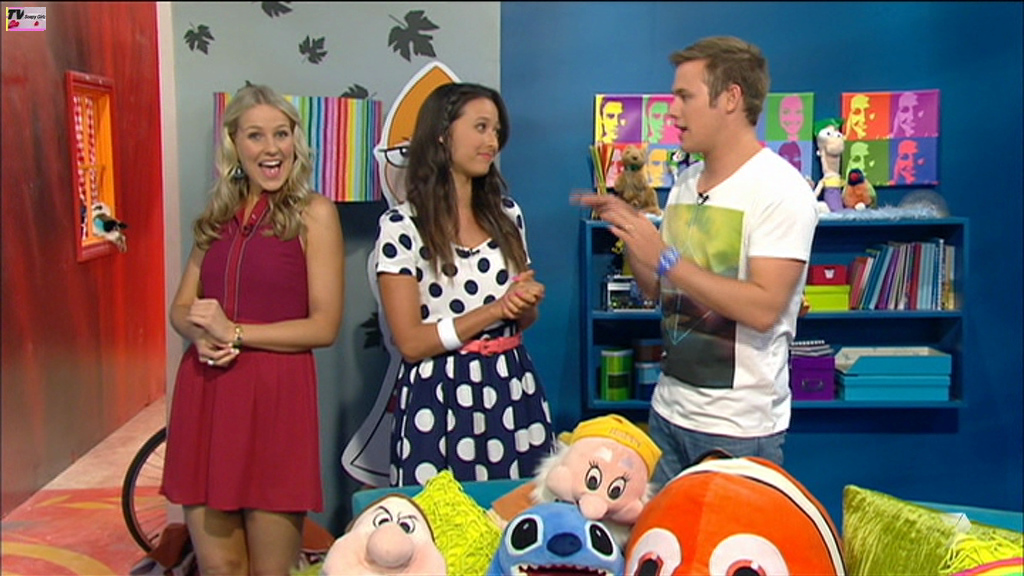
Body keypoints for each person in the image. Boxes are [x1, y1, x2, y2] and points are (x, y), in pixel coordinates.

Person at [576, 36, 818, 488]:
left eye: (684, 96)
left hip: (738, 431)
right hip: (668, 414)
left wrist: (665, 257)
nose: (672, 111)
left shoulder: (780, 190)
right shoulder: (685, 184)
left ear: (731, 98)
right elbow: (659, 289)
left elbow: (763, 308)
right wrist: (632, 234)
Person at [161, 84, 344, 575]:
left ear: (295, 141)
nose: (271, 148)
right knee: (220, 567)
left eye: (281, 134)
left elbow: (324, 325)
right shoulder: (216, 217)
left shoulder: (314, 213)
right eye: (256, 135)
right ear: (234, 145)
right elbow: (181, 307)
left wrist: (235, 333)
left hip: (277, 401)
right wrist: (200, 335)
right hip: (208, 396)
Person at [374, 82, 554, 487]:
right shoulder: (402, 227)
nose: (492, 142)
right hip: (438, 396)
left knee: (512, 512)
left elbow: (523, 320)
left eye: (496, 131)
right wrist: (494, 310)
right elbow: (411, 342)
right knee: (440, 519)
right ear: (442, 133)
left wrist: (524, 302)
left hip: (511, 387)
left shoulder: (508, 216)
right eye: (481, 127)